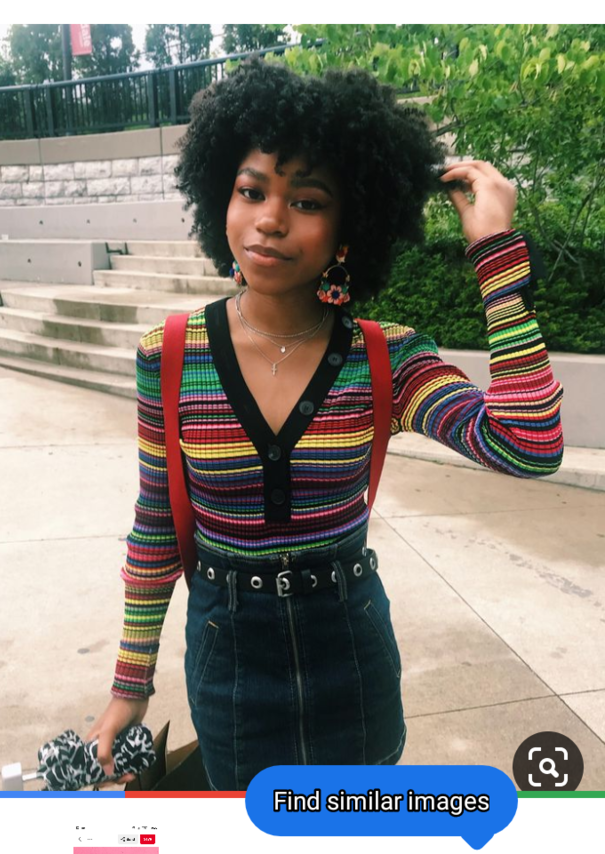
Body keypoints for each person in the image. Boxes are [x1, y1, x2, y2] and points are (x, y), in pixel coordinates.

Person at [87, 59, 563, 790]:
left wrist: (495, 257)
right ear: (221, 195)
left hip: (352, 658)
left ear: (349, 226)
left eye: (306, 201)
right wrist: (130, 685)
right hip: (228, 663)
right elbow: (156, 528)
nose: (270, 219)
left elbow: (528, 444)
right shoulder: (171, 355)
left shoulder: (385, 359)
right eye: (251, 191)